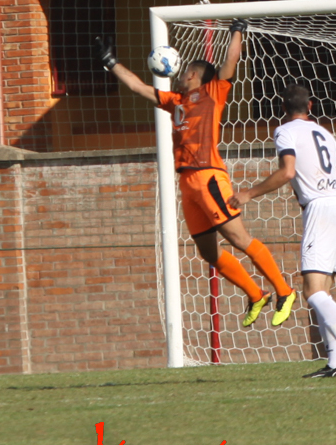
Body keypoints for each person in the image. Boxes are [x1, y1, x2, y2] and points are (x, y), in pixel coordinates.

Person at [102, 23, 297, 328]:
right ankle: (256, 294)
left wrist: (237, 30)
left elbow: (230, 61)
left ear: (192, 75)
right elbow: (138, 87)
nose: (178, 77)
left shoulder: (212, 93)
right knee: (208, 252)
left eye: (183, 73)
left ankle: (284, 291)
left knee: (238, 238)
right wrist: (110, 62)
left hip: (209, 178)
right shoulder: (175, 102)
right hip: (187, 183)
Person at [242, 83, 336, 379]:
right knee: (323, 291)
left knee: (312, 291)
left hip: (320, 208)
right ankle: (335, 360)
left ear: (282, 108)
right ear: (310, 106)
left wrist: (249, 193)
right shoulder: (325, 133)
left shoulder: (285, 131)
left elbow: (287, 171)